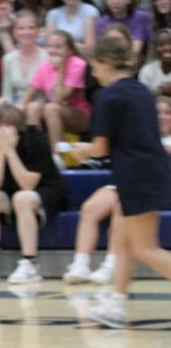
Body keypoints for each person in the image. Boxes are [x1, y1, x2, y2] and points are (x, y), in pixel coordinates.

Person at [66, 38, 171, 326]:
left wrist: (80, 151)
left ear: (108, 62)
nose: (94, 72)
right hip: (151, 170)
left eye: (96, 65)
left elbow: (100, 148)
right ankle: (116, 304)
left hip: (136, 174)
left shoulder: (108, 96)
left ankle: (116, 304)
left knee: (144, 248)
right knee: (123, 241)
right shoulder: (143, 91)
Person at [0, 104, 68, 284]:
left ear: (19, 126)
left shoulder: (36, 139)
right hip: (11, 192)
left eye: (8, 125)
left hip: (45, 191)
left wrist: (11, 152)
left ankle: (30, 263)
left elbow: (28, 184)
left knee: (22, 198)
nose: (3, 131)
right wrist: (0, 152)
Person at [19, 29, 90, 167]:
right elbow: (28, 96)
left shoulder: (78, 64)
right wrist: (18, 110)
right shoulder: (45, 66)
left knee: (51, 108)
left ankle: (56, 158)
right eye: (50, 46)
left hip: (78, 114)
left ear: (69, 50)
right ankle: (37, 154)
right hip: (53, 112)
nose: (53, 50)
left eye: (58, 47)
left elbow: (59, 97)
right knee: (33, 107)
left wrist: (60, 68)